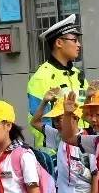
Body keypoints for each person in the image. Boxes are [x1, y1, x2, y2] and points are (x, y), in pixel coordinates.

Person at [27, 14, 87, 149]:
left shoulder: (78, 75)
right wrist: (58, 150)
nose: (79, 45)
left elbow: (85, 114)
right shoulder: (41, 77)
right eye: (75, 40)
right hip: (57, 154)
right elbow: (38, 120)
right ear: (59, 43)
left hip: (83, 150)